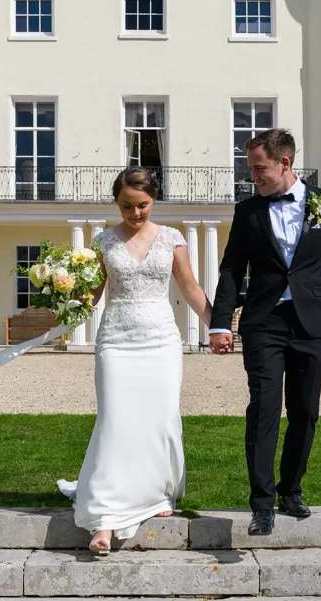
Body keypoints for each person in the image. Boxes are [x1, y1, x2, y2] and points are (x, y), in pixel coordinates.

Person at [209, 129, 321, 536]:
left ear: (285, 163)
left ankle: (291, 489)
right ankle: (262, 505)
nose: (253, 177)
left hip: (311, 322)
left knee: (305, 411)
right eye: (250, 169)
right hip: (263, 321)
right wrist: (221, 323)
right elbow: (231, 269)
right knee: (263, 408)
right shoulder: (247, 212)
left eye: (259, 168)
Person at [58, 167, 213, 556]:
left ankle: (156, 493)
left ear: (153, 200)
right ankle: (104, 518)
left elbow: (190, 288)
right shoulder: (103, 242)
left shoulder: (173, 239)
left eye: (142, 205)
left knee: (160, 420)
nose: (135, 213)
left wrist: (220, 326)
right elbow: (92, 295)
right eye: (126, 206)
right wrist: (61, 300)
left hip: (161, 341)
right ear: (117, 203)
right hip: (116, 341)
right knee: (115, 421)